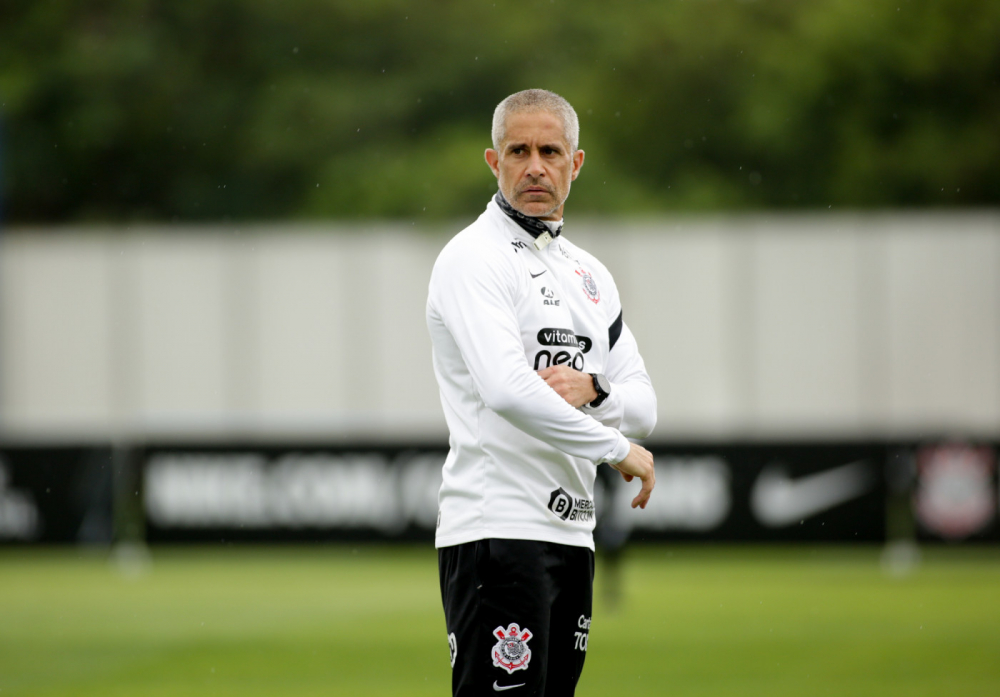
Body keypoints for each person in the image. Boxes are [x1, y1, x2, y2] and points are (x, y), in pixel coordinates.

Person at [426, 89, 657, 697]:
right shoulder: (472, 258)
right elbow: (506, 390)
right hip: (497, 531)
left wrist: (595, 386)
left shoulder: (590, 274)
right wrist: (614, 448)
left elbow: (644, 402)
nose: (534, 166)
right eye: (518, 150)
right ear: (493, 161)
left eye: (550, 151)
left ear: (575, 163)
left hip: (570, 534)